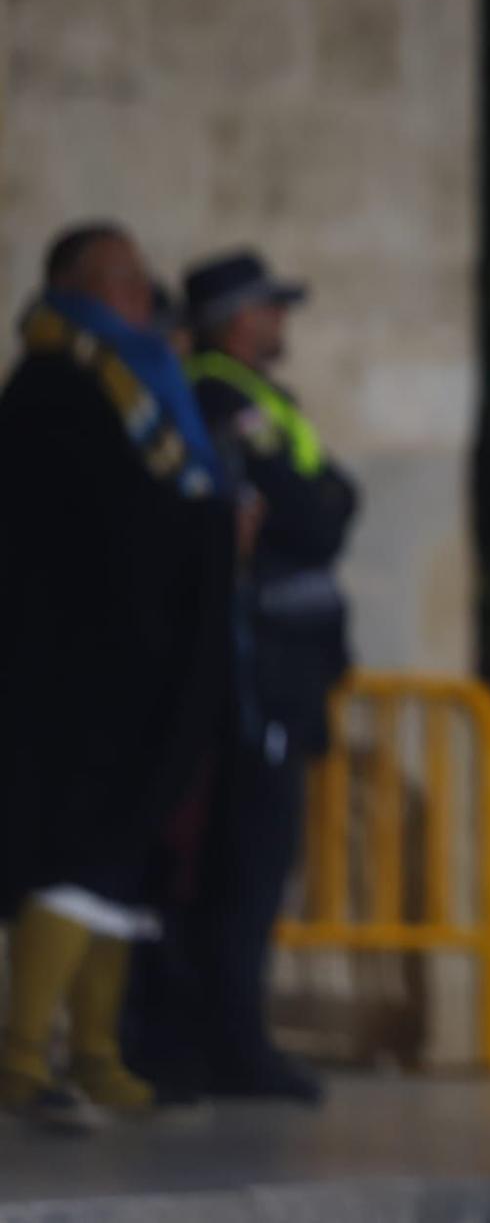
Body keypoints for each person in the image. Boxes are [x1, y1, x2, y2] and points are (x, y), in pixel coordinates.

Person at [0, 222, 237, 1127]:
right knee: (78, 854)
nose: (146, 296)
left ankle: (95, 1051)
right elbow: (106, 527)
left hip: (136, 670)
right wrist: (213, 527)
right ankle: (23, 1056)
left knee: (119, 859)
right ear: (81, 286)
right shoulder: (62, 386)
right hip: (79, 677)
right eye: (128, 281)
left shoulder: (127, 380)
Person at [178, 249, 358, 1102]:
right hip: (262, 669)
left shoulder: (251, 395)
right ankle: (230, 1047)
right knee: (245, 860)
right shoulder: (219, 394)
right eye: (269, 307)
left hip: (284, 665)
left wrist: (325, 500)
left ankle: (226, 1041)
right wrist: (323, 502)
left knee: (255, 857)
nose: (281, 321)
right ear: (237, 318)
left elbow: (330, 499)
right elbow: (316, 513)